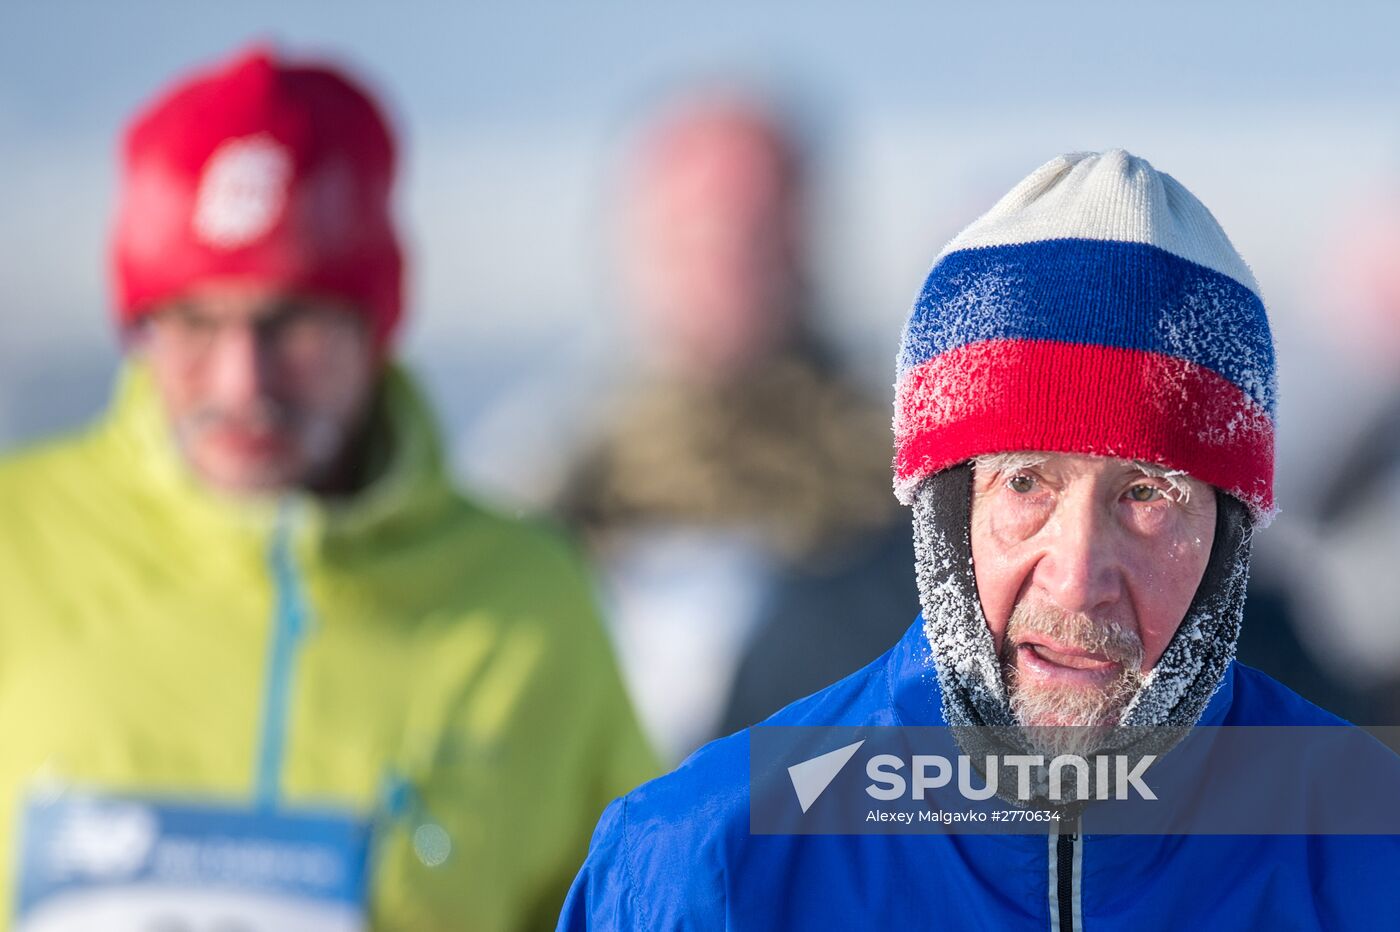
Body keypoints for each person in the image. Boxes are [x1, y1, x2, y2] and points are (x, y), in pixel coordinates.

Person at [558, 150, 1400, 929]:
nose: (1077, 579)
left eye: (1148, 495)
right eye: (1026, 484)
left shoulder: (1370, 853)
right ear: (942, 511)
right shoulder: (710, 864)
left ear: (1227, 538)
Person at [0, 46, 655, 930]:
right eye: (194, 322)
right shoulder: (19, 543)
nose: (244, 384)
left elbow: (636, 903)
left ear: (374, 324)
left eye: (292, 323)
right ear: (141, 328)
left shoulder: (528, 606)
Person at [555, 94, 917, 762]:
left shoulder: (904, 493)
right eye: (697, 231)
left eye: (755, 229)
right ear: (638, 240)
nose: (729, 263)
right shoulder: (553, 495)